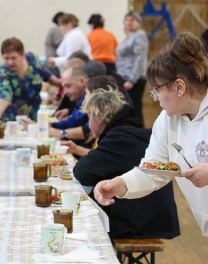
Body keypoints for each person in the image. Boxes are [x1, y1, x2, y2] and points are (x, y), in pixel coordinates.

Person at [94, 32, 208, 237]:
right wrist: (119, 184)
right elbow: (154, 170)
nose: (155, 98)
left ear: (179, 87)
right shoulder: (167, 120)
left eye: (156, 90)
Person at [72, 88, 179, 240]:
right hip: (157, 217)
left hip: (143, 222)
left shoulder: (118, 138)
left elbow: (81, 172)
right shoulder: (130, 131)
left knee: (84, 215)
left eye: (89, 117)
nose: (88, 124)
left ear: (99, 117)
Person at [0, 37, 60, 122]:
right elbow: (4, 94)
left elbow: (47, 75)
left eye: (13, 58)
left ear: (22, 54)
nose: (10, 62)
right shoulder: (3, 72)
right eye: (6, 58)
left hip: (35, 116)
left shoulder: (32, 59)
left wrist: (61, 84)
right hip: (13, 120)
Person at [115, 11, 148, 125]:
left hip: (134, 79)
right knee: (129, 110)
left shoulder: (139, 36)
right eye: (127, 20)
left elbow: (140, 59)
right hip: (125, 76)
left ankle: (140, 135)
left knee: (135, 109)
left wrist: (132, 80)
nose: (129, 23)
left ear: (138, 22)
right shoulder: (128, 37)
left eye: (132, 20)